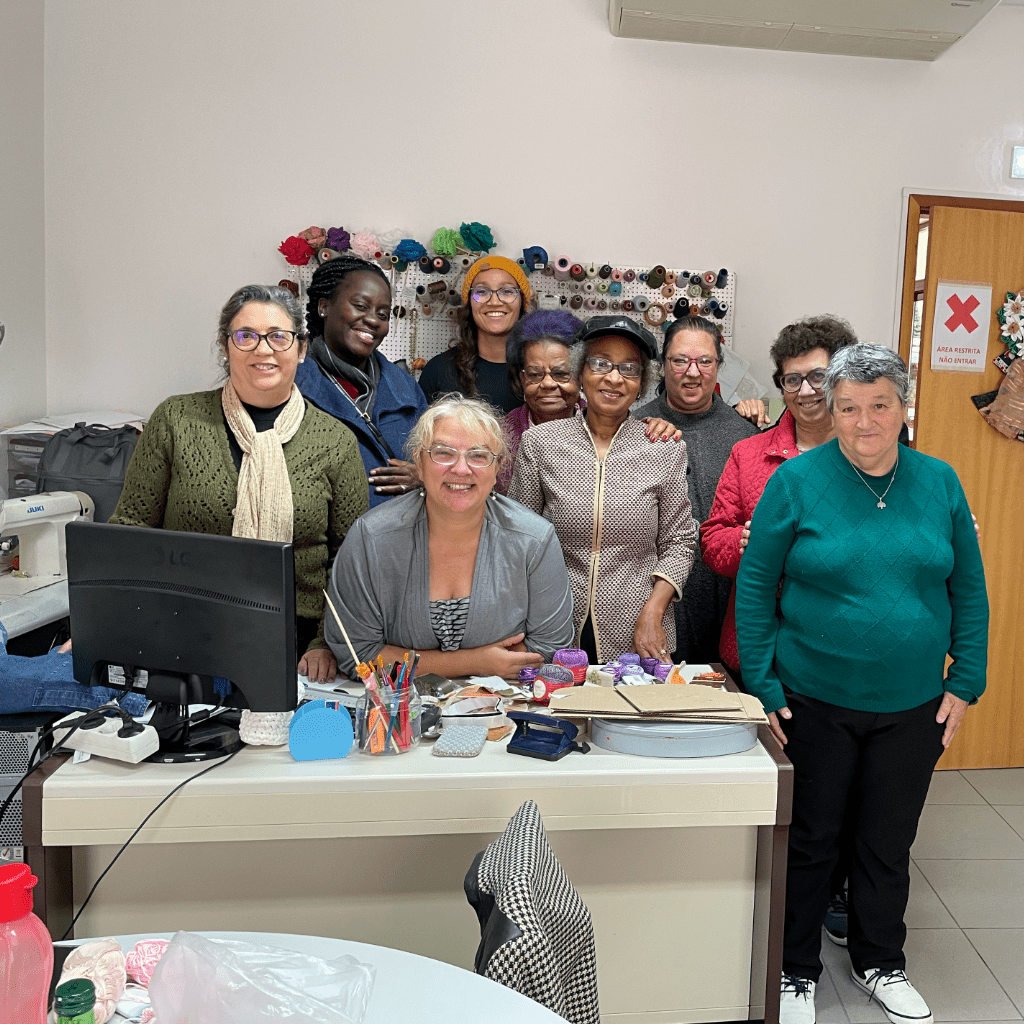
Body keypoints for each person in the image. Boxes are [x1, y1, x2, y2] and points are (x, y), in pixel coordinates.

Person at [735, 344, 988, 1024]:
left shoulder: (940, 482)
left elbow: (968, 584)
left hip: (913, 705)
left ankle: (882, 959)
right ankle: (794, 971)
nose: (864, 421)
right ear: (831, 409)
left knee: (887, 840)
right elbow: (756, 586)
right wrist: (763, 682)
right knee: (813, 837)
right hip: (814, 697)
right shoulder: (796, 481)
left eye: (880, 405)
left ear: (903, 408)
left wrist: (966, 679)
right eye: (849, 407)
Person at [111, 284, 368, 685]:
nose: (263, 350)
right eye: (246, 336)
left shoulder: (335, 441)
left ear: (301, 348)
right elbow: (130, 527)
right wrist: (106, 620)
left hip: (299, 647)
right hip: (179, 633)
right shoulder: (177, 420)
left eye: (278, 336)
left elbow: (350, 561)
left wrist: (324, 642)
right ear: (225, 346)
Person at [325, 394, 574, 680]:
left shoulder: (534, 540)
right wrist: (479, 662)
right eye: (443, 452)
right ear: (419, 461)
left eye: (479, 455)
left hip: (505, 714)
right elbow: (357, 652)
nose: (460, 468)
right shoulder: (372, 538)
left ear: (498, 469)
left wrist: (399, 657)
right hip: (400, 713)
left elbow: (548, 648)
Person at [509, 315, 696, 663]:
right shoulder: (540, 443)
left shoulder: (663, 448)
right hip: (554, 626)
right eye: (600, 363)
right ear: (580, 374)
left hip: (640, 631)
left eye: (629, 368)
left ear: (641, 385)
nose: (613, 377)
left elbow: (680, 542)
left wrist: (654, 611)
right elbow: (516, 541)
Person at [701, 314, 857, 679]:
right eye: (792, 380)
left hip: (844, 649)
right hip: (760, 652)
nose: (805, 391)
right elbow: (712, 539)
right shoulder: (749, 454)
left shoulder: (873, 456)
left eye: (818, 376)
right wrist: (743, 541)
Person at [636, 316, 757, 662]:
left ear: (718, 365)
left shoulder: (745, 437)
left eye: (705, 361)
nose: (693, 372)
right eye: (680, 360)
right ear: (663, 365)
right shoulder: (635, 428)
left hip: (725, 606)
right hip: (654, 603)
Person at [297, 256, 427, 508]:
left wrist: (424, 478)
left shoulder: (405, 386)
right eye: (360, 305)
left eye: (382, 313)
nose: (373, 320)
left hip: (401, 538)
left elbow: (437, 460)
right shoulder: (291, 383)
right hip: (325, 542)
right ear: (324, 307)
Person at [417, 256, 530, 414]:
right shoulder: (437, 371)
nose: (494, 301)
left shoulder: (540, 372)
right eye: (482, 292)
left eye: (507, 291)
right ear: (469, 302)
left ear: (522, 302)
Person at [496, 309, 585, 494]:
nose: (547, 383)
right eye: (535, 374)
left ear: (581, 376)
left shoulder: (603, 430)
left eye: (561, 374)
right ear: (521, 379)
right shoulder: (497, 439)